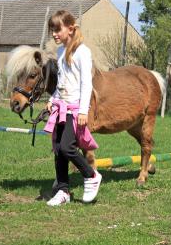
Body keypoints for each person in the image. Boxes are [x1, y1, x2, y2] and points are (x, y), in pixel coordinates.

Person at [44, 10, 102, 205]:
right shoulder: (60, 52)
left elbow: (86, 84)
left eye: (57, 29)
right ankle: (63, 192)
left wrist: (84, 111)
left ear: (70, 28)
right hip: (61, 107)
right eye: (52, 30)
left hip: (75, 109)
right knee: (59, 150)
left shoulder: (82, 52)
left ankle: (91, 175)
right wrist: (53, 99)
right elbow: (63, 83)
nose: (54, 34)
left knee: (68, 148)